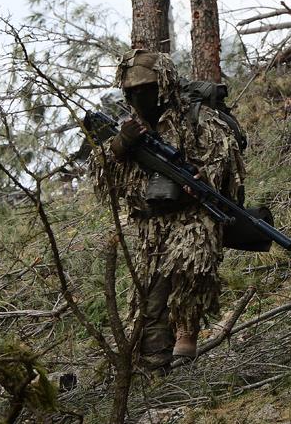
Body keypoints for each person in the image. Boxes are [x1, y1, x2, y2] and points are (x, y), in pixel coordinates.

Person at [92, 49, 245, 372]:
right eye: (131, 91)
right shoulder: (129, 127)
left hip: (194, 214)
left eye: (145, 88)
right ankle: (154, 362)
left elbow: (224, 156)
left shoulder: (194, 116)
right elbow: (102, 172)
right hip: (151, 223)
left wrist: (204, 177)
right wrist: (123, 143)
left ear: (163, 84)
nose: (138, 96)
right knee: (152, 295)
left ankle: (185, 340)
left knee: (190, 272)